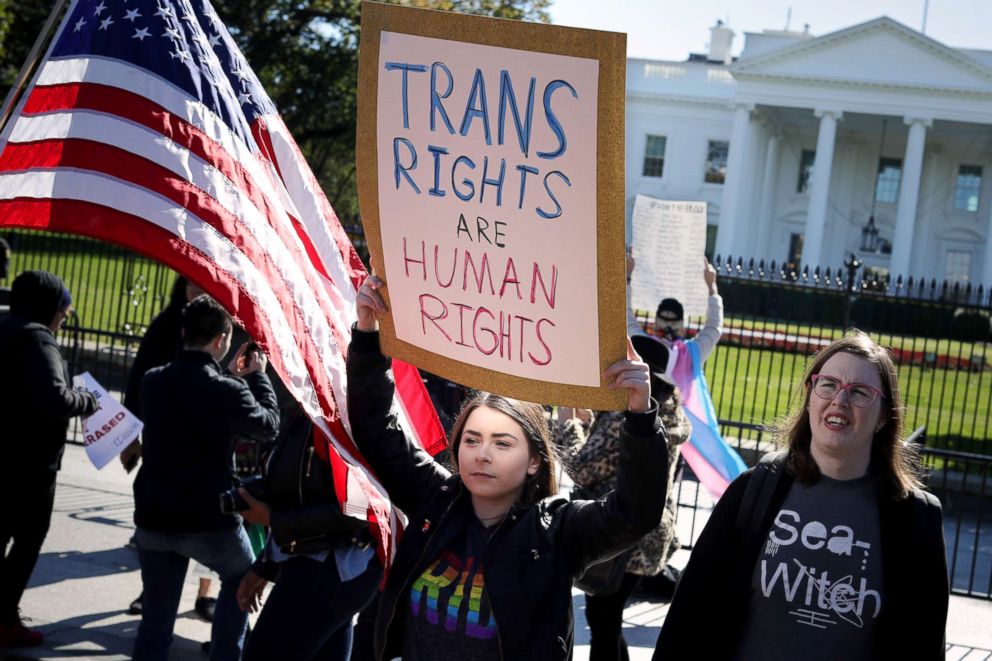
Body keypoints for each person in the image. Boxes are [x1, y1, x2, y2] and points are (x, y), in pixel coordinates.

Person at [349, 275, 670, 661]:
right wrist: (369, 334)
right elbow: (376, 430)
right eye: (472, 439)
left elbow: (634, 512)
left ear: (534, 461)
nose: (482, 454)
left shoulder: (556, 534)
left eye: (502, 443)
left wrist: (640, 417)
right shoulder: (436, 500)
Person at [653, 332, 949, 660]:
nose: (840, 399)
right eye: (828, 384)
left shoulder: (916, 519)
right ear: (810, 395)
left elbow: (925, 645)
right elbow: (687, 619)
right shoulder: (752, 491)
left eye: (861, 392)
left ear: (883, 416)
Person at [130, 295, 279, 661]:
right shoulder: (227, 390)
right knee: (245, 576)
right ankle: (227, 653)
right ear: (221, 340)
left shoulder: (154, 381)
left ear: (184, 333)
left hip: (154, 515)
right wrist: (257, 377)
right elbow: (269, 425)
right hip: (208, 520)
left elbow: (191, 402)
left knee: (155, 624)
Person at [559, 335, 690, 661]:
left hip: (617, 537)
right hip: (650, 535)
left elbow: (583, 468)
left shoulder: (621, 418)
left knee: (602, 622)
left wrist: (568, 425)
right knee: (608, 620)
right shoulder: (665, 414)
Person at [234, 408, 383, 660]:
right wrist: (267, 563)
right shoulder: (314, 401)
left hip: (330, 574)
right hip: (325, 572)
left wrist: (273, 519)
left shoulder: (351, 407)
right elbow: (294, 491)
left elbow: (357, 510)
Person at [0, 271, 98, 648]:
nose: (63, 319)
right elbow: (55, 399)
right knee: (27, 540)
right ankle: (4, 616)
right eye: (63, 311)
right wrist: (87, 400)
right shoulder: (38, 340)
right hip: (30, 464)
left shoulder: (4, 329)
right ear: (49, 307)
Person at [120, 276, 219, 620]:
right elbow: (139, 377)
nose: (196, 289)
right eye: (190, 282)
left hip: (207, 443)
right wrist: (129, 433)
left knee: (211, 525)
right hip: (164, 438)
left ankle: (205, 594)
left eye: (202, 281)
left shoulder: (222, 325)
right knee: (159, 524)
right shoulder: (168, 323)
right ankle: (153, 592)